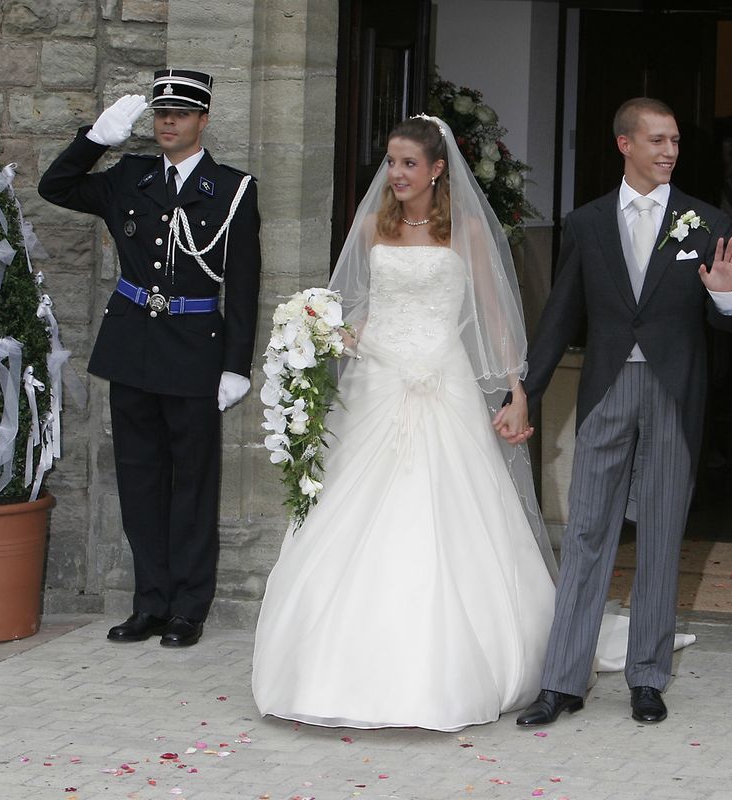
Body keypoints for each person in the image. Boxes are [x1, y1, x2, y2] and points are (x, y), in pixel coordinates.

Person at [250, 116, 559, 732]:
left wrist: (515, 391)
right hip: (376, 380)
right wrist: (317, 333)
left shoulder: (466, 230)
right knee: (349, 508)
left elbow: (495, 318)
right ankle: (328, 661)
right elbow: (361, 310)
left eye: (408, 164)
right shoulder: (372, 226)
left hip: (440, 379)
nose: (395, 175)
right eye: (390, 163)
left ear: (438, 169)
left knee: (443, 511)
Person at [499, 98, 732, 727]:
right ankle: (562, 681)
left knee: (663, 532)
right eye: (658, 140)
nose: (670, 151)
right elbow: (560, 315)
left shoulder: (708, 219)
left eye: (674, 141)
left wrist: (724, 299)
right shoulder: (585, 223)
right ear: (625, 145)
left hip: (673, 389)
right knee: (586, 531)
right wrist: (525, 388)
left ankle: (647, 677)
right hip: (606, 387)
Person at [39, 69, 261, 648]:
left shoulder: (232, 189)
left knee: (192, 486)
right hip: (133, 349)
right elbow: (55, 187)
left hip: (193, 353)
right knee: (139, 483)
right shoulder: (128, 177)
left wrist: (237, 363)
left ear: (202, 120)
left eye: (181, 114)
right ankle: (150, 604)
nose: (168, 122)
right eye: (162, 113)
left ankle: (189, 608)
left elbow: (242, 284)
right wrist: (96, 140)